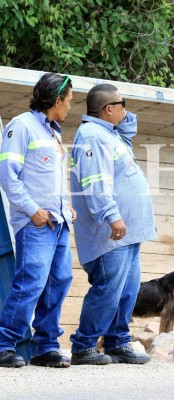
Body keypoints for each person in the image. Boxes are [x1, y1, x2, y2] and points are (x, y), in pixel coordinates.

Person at [69, 84, 156, 365]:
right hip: (109, 233)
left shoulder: (109, 134)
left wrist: (125, 116)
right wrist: (111, 215)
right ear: (109, 109)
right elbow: (94, 183)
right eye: (122, 104)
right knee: (108, 288)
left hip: (127, 233)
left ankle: (117, 342)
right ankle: (83, 346)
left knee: (127, 290)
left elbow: (127, 128)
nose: (126, 109)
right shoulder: (93, 137)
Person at [0, 73, 74, 368]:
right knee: (30, 283)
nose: (70, 107)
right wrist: (33, 211)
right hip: (36, 224)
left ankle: (45, 347)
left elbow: (54, 180)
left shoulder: (54, 133)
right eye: (68, 101)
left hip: (58, 222)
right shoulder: (22, 126)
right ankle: (4, 344)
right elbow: (8, 176)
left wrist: (66, 207)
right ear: (56, 100)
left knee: (58, 282)